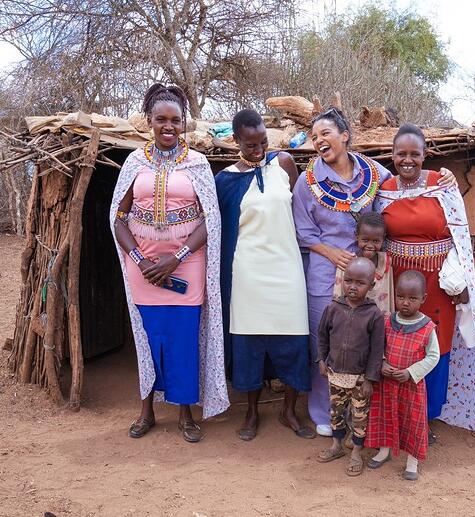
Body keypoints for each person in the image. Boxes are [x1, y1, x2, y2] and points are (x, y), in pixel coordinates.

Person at [292, 107, 457, 437]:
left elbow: (405, 187)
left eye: (326, 133)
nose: (320, 141)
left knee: (367, 342)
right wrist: (331, 252)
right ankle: (326, 411)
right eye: (314, 137)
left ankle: (363, 414)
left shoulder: (374, 173)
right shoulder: (307, 182)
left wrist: (444, 179)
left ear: (345, 136)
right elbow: (303, 233)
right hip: (327, 274)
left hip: (371, 277)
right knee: (326, 342)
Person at [110, 83, 229, 443]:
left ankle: (185, 412)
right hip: (142, 266)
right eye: (161, 119)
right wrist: (139, 258)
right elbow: (118, 217)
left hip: (187, 265)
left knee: (183, 338)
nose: (168, 126)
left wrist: (175, 258)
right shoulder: (134, 162)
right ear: (149, 121)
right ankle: (145, 410)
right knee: (148, 336)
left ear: (184, 123)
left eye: (175, 120)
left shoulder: (197, 163)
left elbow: (211, 218)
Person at [374, 123, 475, 435]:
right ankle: (397, 413)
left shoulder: (442, 185)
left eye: (414, 154)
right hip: (397, 282)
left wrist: (462, 286)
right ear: (391, 155)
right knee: (398, 344)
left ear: (425, 155)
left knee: (435, 343)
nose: (407, 160)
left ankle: (426, 416)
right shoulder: (385, 190)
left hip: (437, 283)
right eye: (400, 154)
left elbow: (460, 236)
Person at [215, 109, 314, 441]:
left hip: (287, 268)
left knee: (294, 338)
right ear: (237, 141)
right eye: (250, 144)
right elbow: (221, 232)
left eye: (262, 142)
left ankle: (289, 411)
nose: (258, 149)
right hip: (248, 272)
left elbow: (301, 211)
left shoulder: (284, 164)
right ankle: (252, 412)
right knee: (250, 342)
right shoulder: (225, 180)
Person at [366, 271, 440, 481]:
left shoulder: (427, 328)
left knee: (412, 422)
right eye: (401, 297)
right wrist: (381, 362)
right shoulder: (388, 321)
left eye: (412, 298)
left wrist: (410, 372)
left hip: (411, 387)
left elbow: (433, 356)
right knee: (385, 415)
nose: (405, 303)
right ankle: (384, 450)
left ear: (423, 299)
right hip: (387, 384)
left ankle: (412, 461)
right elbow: (377, 345)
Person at [315, 258, 385, 476]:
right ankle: (336, 445)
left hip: (360, 379)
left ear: (371, 286)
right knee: (335, 412)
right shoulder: (333, 307)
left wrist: (370, 380)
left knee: (359, 416)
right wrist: (322, 359)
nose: (352, 287)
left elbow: (377, 350)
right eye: (348, 281)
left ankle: (356, 451)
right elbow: (322, 336)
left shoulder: (374, 314)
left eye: (360, 283)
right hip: (335, 374)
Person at [332, 211, 393, 316]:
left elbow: (390, 297)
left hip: (379, 323)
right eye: (365, 240)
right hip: (352, 321)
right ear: (357, 236)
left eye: (376, 241)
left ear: (383, 239)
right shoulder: (348, 263)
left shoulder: (386, 263)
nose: (370, 245)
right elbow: (338, 297)